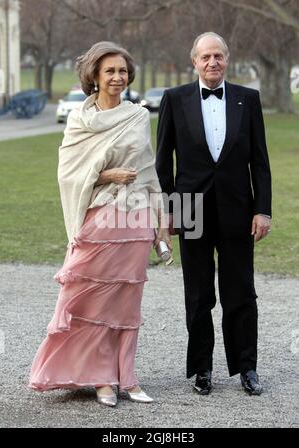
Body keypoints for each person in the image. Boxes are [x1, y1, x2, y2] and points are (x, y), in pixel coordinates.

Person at [29, 41, 171, 407]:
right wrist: (106, 173)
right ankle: (99, 377)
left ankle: (127, 376)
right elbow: (68, 173)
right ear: (94, 75)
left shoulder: (138, 116)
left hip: (135, 220)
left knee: (127, 305)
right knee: (86, 302)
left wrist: (162, 222)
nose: (117, 77)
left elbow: (149, 173)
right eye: (109, 70)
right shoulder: (80, 119)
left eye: (122, 70)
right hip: (99, 219)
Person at [156, 32, 271, 396]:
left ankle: (247, 368)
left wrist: (263, 210)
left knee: (241, 293)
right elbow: (163, 164)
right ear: (194, 61)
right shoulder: (174, 99)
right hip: (190, 209)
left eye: (218, 56)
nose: (212, 63)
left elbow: (260, 162)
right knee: (199, 294)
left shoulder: (247, 99)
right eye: (205, 57)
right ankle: (202, 369)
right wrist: (170, 210)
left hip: (239, 210)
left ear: (227, 58)